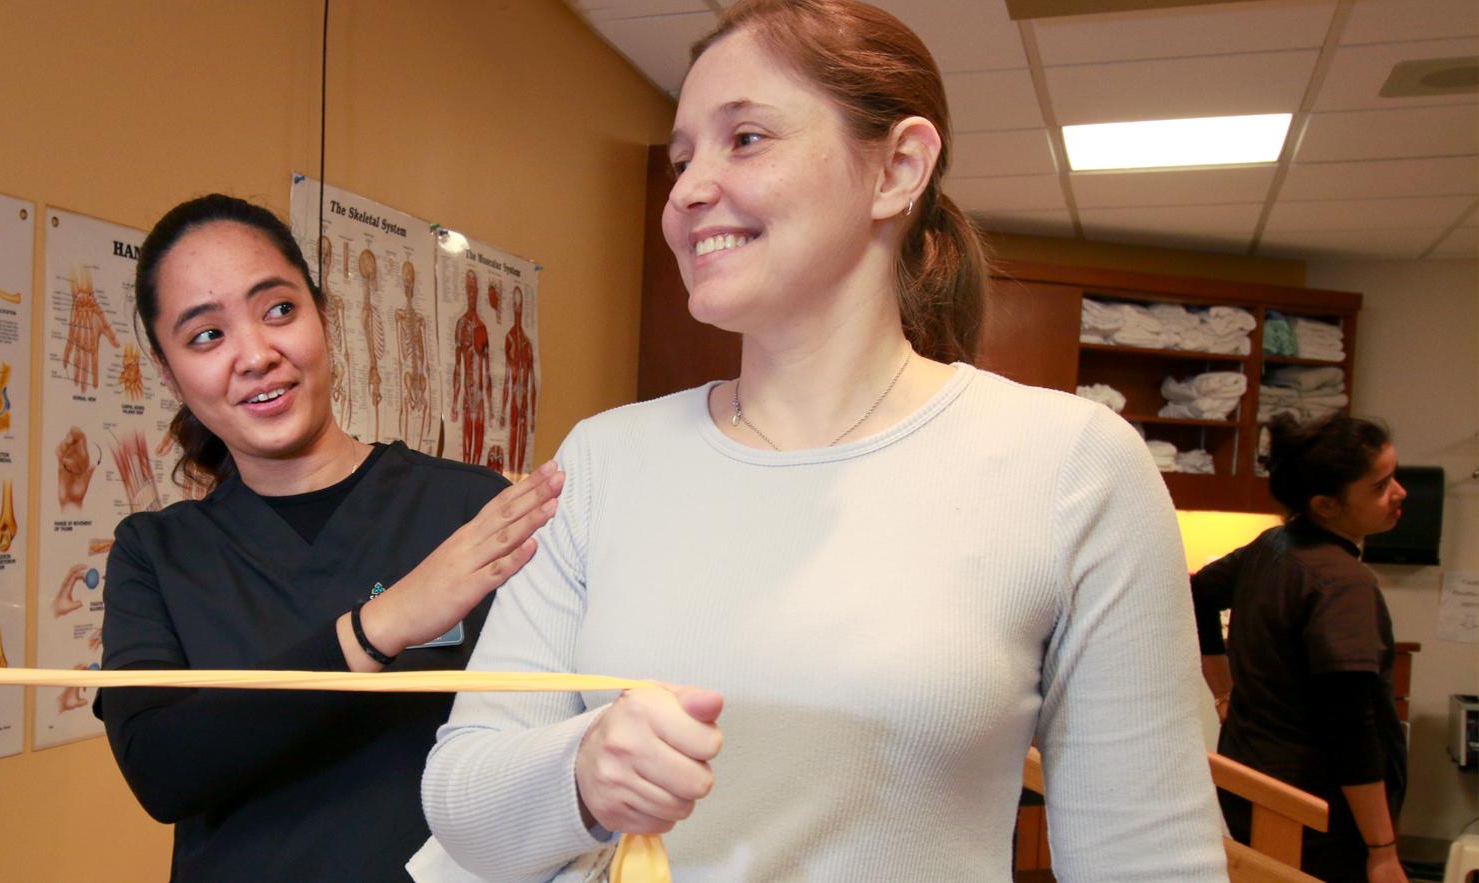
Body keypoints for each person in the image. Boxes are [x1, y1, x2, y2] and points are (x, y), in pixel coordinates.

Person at [413, 2, 1225, 879]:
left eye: (747, 139)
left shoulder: (1072, 467)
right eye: (683, 157)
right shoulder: (603, 459)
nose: (686, 189)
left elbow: (1148, 854)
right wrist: (578, 774)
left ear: (897, 168)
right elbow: (464, 800)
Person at [95, 194, 564, 881]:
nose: (256, 354)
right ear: (169, 373)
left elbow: (551, 746)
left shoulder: (472, 509)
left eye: (279, 309)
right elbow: (163, 772)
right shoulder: (155, 554)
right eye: (206, 335)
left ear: (323, 316)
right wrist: (379, 626)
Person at [1194, 414, 1410, 883]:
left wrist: (1223, 692)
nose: (1399, 493)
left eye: (1394, 476)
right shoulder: (1341, 583)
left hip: (1251, 782)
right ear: (1325, 505)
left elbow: (1198, 594)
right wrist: (1382, 849)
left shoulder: (1275, 545)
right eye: (1379, 486)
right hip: (1311, 811)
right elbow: (1350, 726)